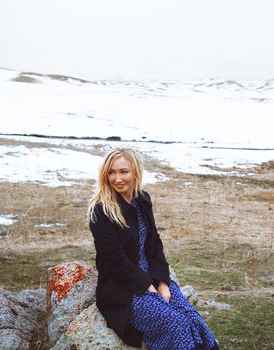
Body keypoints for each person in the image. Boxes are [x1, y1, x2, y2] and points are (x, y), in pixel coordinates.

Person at [88, 147, 218, 350]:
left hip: (151, 276)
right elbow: (115, 261)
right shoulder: (101, 211)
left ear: (135, 172)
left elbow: (154, 243)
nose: (117, 178)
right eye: (111, 172)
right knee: (177, 323)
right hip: (123, 289)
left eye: (123, 172)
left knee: (192, 317)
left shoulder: (142, 200)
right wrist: (147, 286)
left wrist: (163, 282)